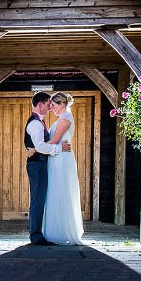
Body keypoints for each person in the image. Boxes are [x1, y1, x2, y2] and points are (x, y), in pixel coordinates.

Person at [27, 92, 84, 244]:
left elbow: (53, 141)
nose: (51, 108)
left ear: (62, 104)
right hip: (55, 158)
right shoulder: (59, 119)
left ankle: (61, 232)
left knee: (60, 193)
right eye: (49, 105)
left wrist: (35, 149)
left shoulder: (65, 119)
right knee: (54, 194)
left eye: (53, 105)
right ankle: (51, 231)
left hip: (61, 159)